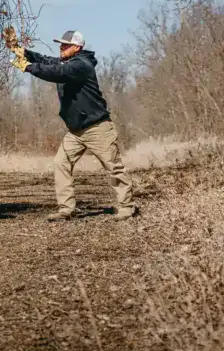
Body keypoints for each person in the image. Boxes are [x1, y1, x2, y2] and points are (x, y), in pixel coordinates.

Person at [11, 30, 136, 222]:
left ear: (77, 47)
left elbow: (57, 73)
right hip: (75, 132)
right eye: (61, 44)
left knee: (114, 167)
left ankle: (127, 207)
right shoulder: (67, 62)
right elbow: (46, 61)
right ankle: (66, 209)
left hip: (97, 128)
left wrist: (28, 67)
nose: (61, 47)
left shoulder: (81, 65)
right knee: (60, 163)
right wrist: (22, 51)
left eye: (66, 45)